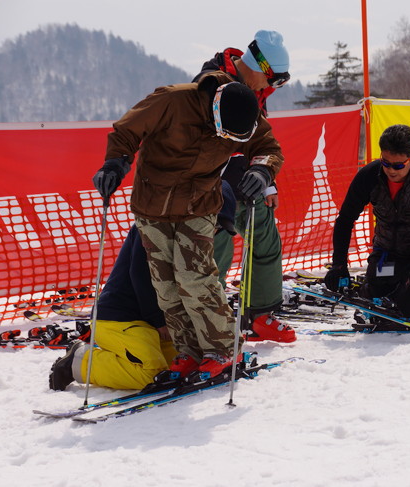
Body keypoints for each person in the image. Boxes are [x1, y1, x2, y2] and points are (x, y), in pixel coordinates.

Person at [91, 74, 284, 381]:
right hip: (153, 205)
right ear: (215, 108)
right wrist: (115, 162)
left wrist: (262, 170)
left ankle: (223, 347)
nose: (228, 139)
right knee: (166, 286)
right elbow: (127, 130)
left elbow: (268, 147)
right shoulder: (172, 100)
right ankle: (190, 350)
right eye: (226, 132)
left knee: (194, 277)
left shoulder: (246, 112)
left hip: (200, 203)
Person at [48, 185, 237, 391]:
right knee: (151, 374)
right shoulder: (155, 225)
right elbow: (140, 273)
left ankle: (119, 355)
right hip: (119, 318)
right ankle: (78, 362)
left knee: (180, 367)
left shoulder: (191, 236)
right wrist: (158, 319)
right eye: (214, 225)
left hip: (152, 324)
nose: (214, 231)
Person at [194, 30, 295, 343]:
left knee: (266, 242)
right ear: (260, 68)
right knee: (216, 258)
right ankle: (209, 327)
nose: (271, 87)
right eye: (272, 80)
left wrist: (266, 182)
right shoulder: (213, 83)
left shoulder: (257, 91)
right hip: (215, 189)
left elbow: (261, 142)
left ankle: (258, 316)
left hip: (247, 184)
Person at [324, 124, 410, 322]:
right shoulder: (369, 176)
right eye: (386, 162)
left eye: (398, 165)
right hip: (386, 253)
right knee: (372, 307)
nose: (391, 170)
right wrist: (339, 264)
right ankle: (386, 287)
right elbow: (345, 220)